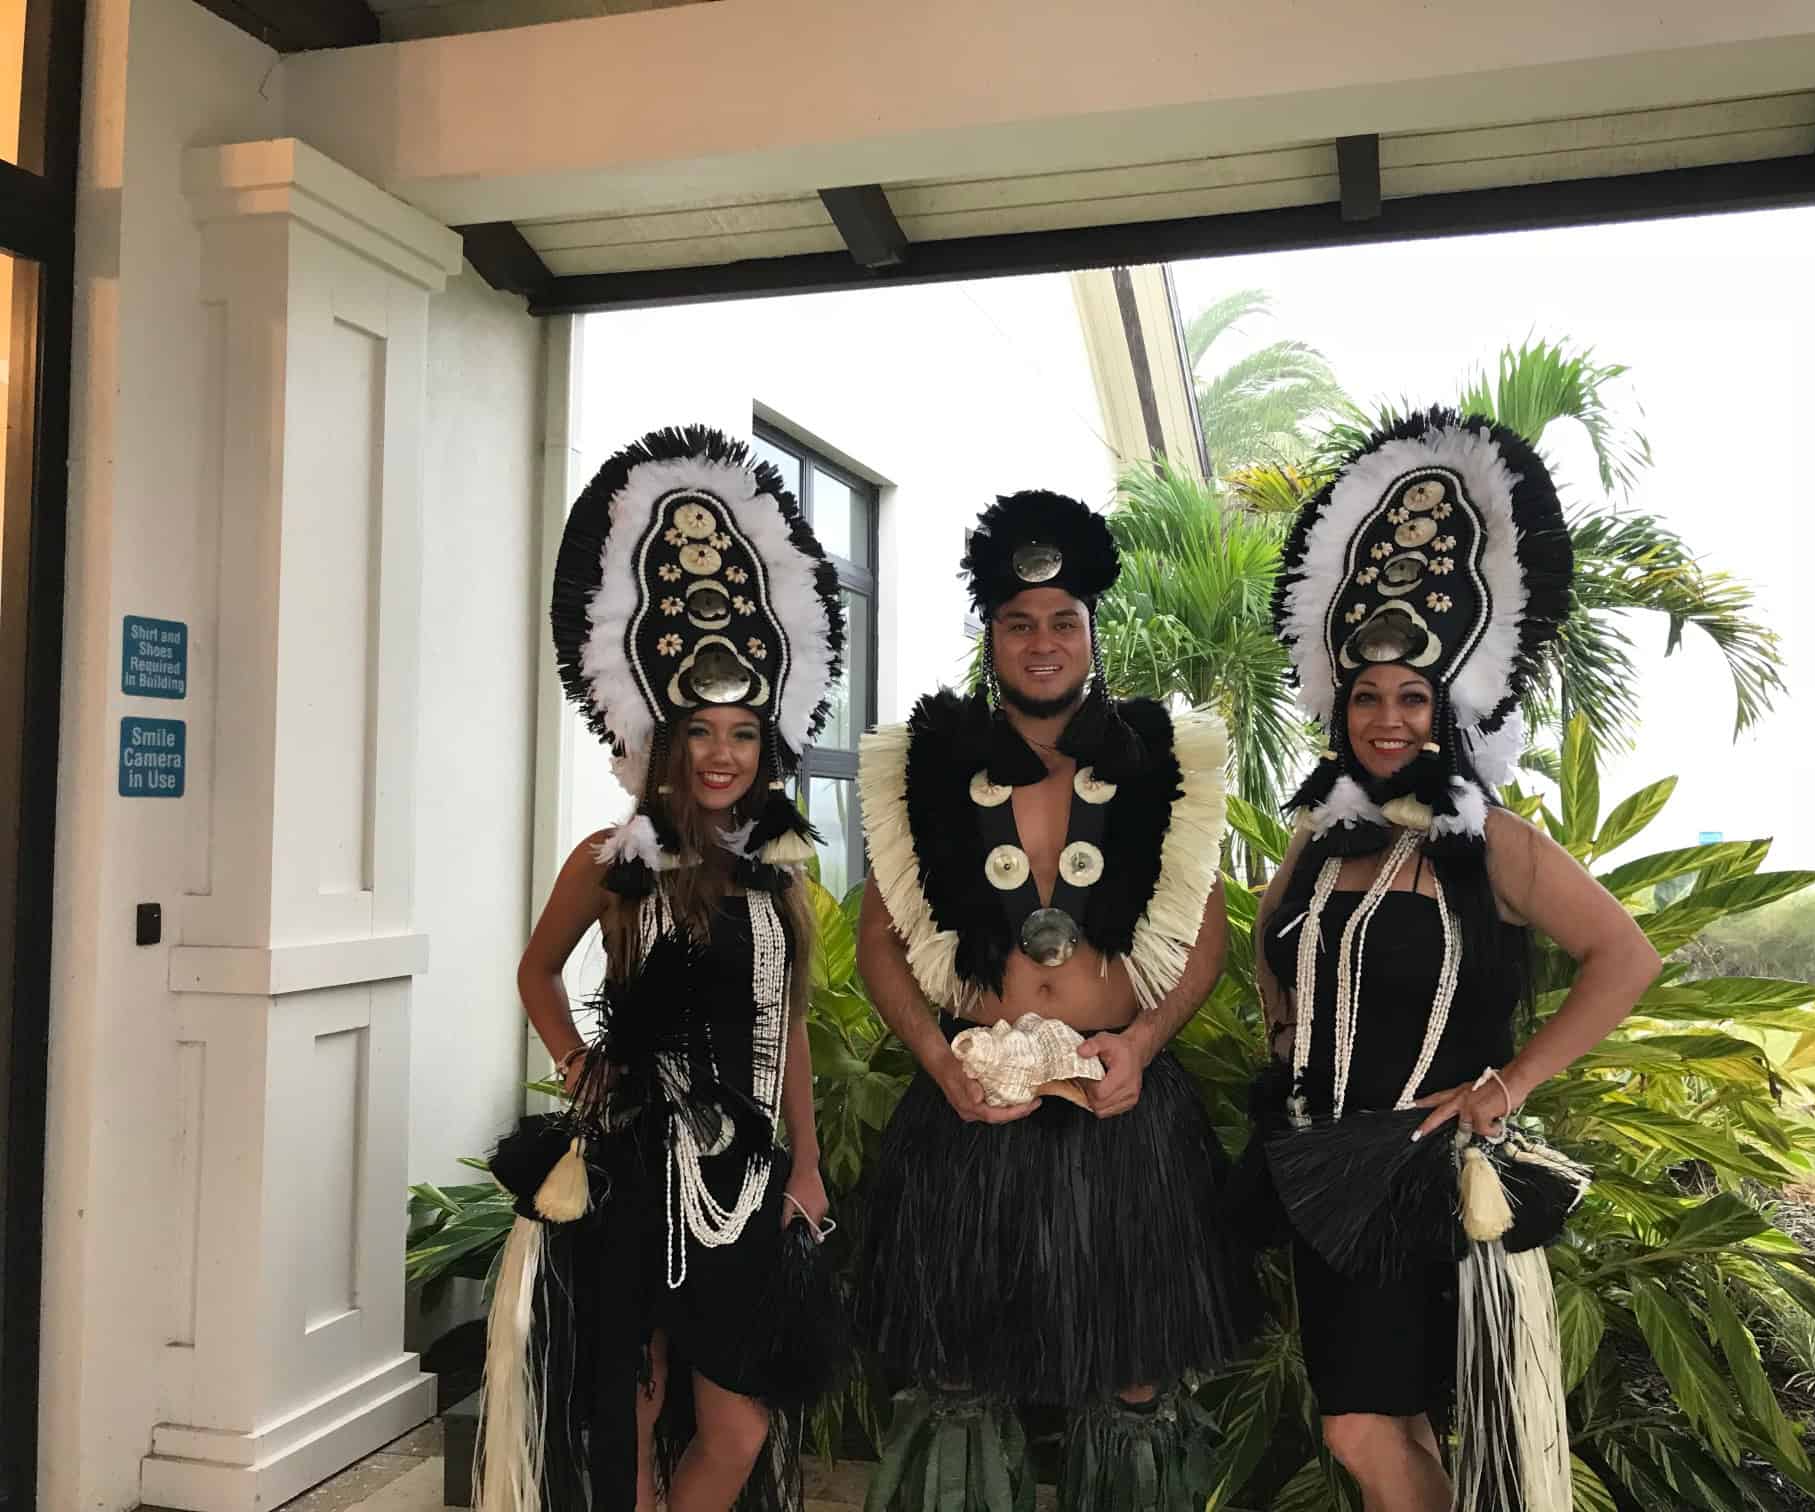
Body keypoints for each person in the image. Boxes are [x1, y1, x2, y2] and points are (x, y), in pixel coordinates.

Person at [1250, 410, 1662, 1512]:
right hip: (1319, 1169)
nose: (1387, 718)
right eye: (1367, 696)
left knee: (1357, 1427)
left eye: (1411, 697)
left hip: (1422, 1170)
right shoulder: (1321, 836)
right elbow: (1272, 933)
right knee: (1399, 1420)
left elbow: (1625, 956)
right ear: (1340, 705)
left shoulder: (1499, 843)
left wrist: (1509, 1085)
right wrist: (1283, 1023)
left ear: (1448, 708)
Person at [853, 490, 1253, 1509]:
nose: (1043, 644)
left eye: (1063, 621)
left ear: (1091, 630)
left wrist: (1145, 1044)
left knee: (1134, 1377)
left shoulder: (1163, 761)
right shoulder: (926, 770)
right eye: (1019, 623)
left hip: (1119, 1099)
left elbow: (1203, 937)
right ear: (990, 637)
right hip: (971, 1104)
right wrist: (939, 1062)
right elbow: (879, 944)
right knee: (957, 1374)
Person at [476, 426, 850, 1512]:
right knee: (630, 1409)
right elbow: (537, 973)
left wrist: (808, 1166)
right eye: (702, 732)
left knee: (737, 1423)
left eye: (743, 733)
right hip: (638, 1170)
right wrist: (580, 1064)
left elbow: (788, 1032)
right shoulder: (611, 862)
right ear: (667, 740)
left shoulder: (777, 876)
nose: (723, 753)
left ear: (766, 746)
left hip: (747, 1177)